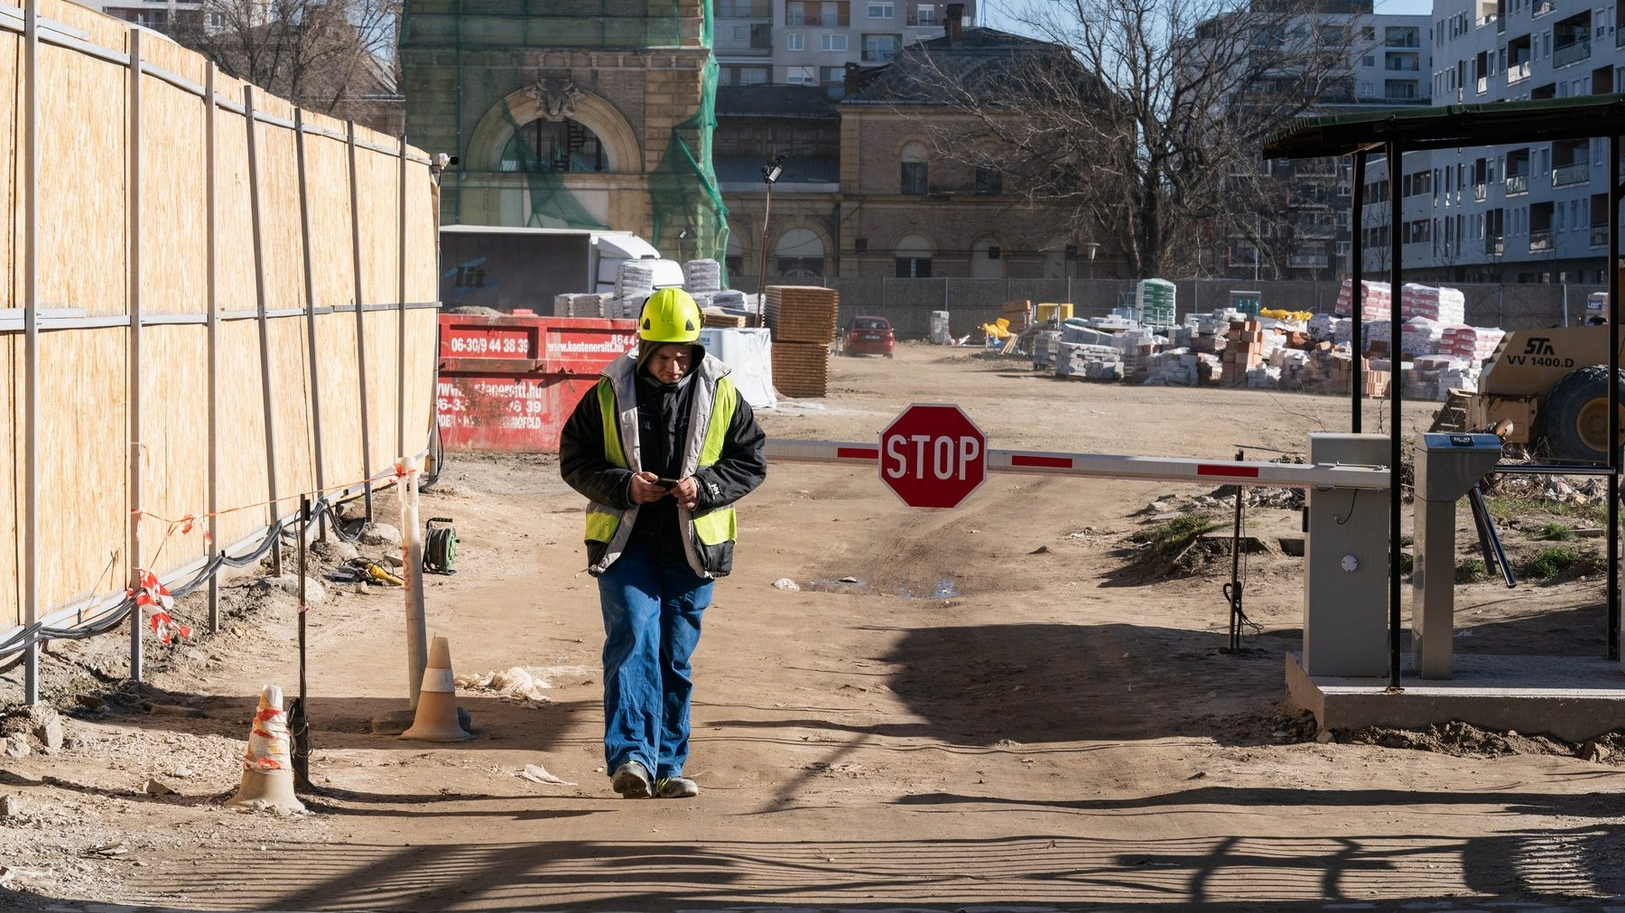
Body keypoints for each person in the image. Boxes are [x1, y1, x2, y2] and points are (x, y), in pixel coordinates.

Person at [559, 287, 767, 799]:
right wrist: (624, 486)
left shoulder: (721, 392)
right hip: (626, 543)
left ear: (697, 352)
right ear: (644, 349)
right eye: (664, 357)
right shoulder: (608, 393)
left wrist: (708, 488)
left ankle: (668, 765)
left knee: (673, 656)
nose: (674, 368)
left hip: (692, 548)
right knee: (633, 635)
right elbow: (574, 459)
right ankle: (631, 756)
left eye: (683, 357)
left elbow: (752, 459)